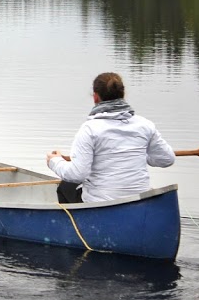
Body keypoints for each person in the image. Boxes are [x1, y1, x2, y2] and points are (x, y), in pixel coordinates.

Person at [46, 72, 174, 203]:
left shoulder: (90, 129)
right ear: (123, 95)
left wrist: (55, 162)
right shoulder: (145, 125)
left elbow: (77, 174)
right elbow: (166, 159)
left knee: (66, 186)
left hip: (101, 204)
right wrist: (137, 153)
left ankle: (73, 222)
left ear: (95, 97)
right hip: (139, 202)